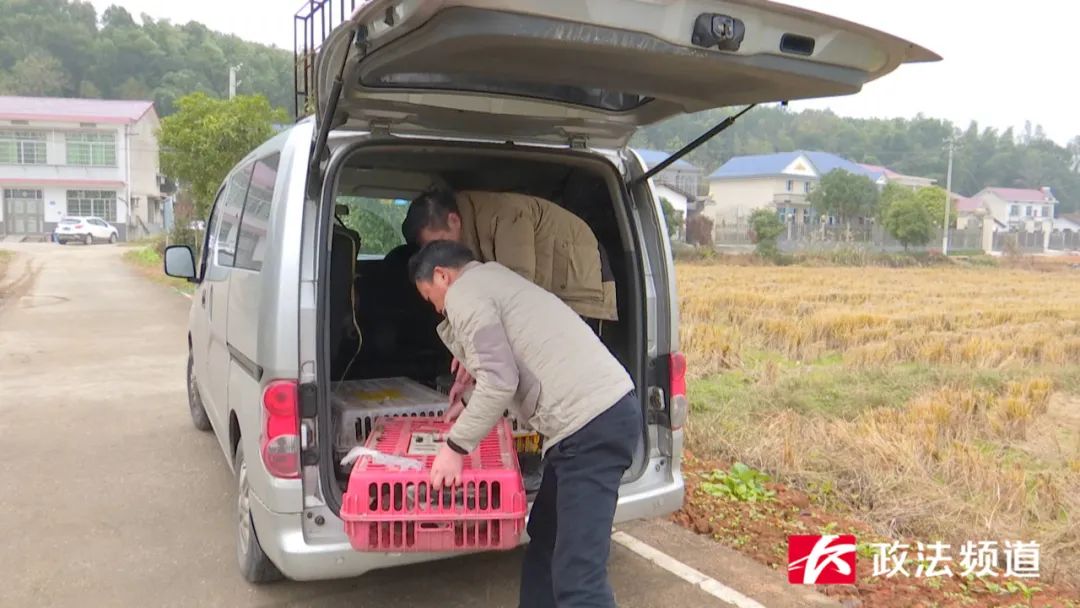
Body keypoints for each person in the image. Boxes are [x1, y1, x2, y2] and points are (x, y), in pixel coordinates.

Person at [408, 240, 640, 608]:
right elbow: (507, 364)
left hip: (591, 425)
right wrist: (467, 403)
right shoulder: (494, 279)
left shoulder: (465, 294)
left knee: (579, 578)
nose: (437, 309)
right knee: (546, 539)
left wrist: (455, 448)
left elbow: (500, 381)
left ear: (442, 275)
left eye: (430, 297)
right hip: (589, 423)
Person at [401, 188, 618, 322]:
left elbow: (515, 289)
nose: (437, 254)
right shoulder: (464, 237)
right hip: (543, 298)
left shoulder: (505, 215)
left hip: (579, 290)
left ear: (454, 220)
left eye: (438, 242)